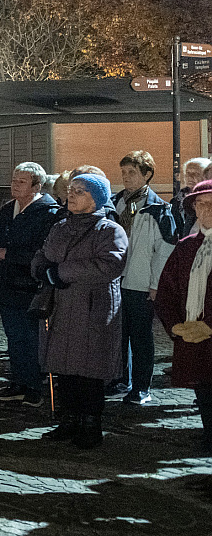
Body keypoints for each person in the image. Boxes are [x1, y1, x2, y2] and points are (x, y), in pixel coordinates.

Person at [32, 172, 128, 449]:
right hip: (62, 306)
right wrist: (39, 268)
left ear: (96, 198)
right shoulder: (61, 226)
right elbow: (44, 253)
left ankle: (91, 424)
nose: (71, 195)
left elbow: (109, 265)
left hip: (93, 307)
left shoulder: (110, 230)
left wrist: (60, 272)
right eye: (70, 190)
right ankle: (69, 419)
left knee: (89, 368)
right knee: (65, 367)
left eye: (80, 191)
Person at [0, 162, 61, 406]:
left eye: (21, 181)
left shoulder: (48, 212)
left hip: (28, 285)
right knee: (13, 336)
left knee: (31, 337)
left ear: (37, 186)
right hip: (6, 283)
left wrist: (9, 254)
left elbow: (42, 250)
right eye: (14, 180)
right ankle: (19, 380)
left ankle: (33, 385)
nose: (14, 185)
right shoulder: (7, 209)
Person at [111, 150, 176, 403]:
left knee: (140, 337)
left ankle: (141, 387)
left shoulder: (159, 209)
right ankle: (121, 379)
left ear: (147, 175)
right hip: (116, 280)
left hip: (140, 283)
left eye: (133, 173)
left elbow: (166, 250)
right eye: (124, 172)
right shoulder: (115, 203)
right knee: (119, 334)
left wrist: (155, 283)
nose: (126, 177)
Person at [155, 178, 212, 453]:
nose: (206, 211)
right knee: (206, 402)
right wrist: (175, 325)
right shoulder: (187, 246)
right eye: (201, 205)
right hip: (194, 343)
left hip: (209, 336)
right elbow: (166, 291)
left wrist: (210, 326)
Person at [171, 157, 210, 234]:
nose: (190, 177)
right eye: (187, 173)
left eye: (195, 174)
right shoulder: (176, 201)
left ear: (208, 176)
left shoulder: (208, 198)